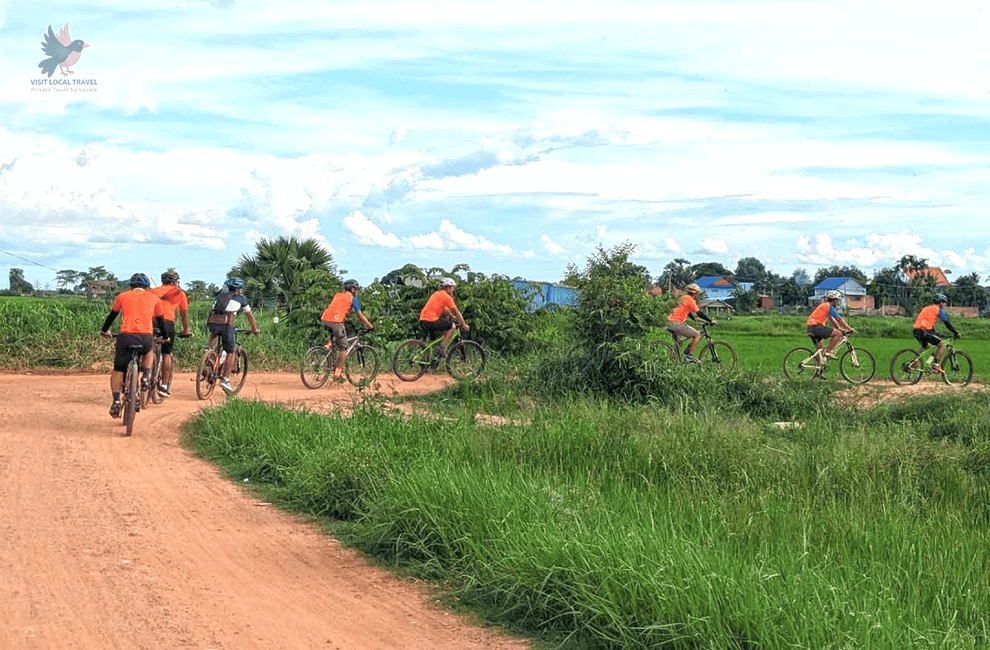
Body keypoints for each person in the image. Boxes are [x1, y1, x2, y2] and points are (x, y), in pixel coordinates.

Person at [100, 273, 168, 418]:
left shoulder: (122, 296)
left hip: (126, 336)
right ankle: (145, 376)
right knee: (149, 350)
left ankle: (116, 401)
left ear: (130, 286)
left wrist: (105, 330)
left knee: (118, 369)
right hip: (145, 337)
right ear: (147, 287)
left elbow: (112, 316)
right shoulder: (154, 298)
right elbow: (161, 321)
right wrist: (166, 336)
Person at [205, 277, 260, 390]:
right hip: (226, 325)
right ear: (239, 289)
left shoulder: (219, 296)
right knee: (231, 351)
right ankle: (225, 379)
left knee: (216, 333)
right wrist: (254, 329)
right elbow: (249, 316)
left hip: (212, 323)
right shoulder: (241, 298)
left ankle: (208, 351)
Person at [320, 279, 375, 382]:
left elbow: (336, 309)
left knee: (336, 335)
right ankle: (337, 373)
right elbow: (360, 316)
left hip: (325, 319)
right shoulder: (353, 299)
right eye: (357, 289)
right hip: (335, 322)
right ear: (353, 289)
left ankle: (327, 347)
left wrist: (346, 320)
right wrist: (370, 326)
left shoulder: (338, 295)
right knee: (344, 347)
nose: (357, 291)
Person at [149, 269, 192, 397]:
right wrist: (185, 330)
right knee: (166, 353)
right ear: (175, 282)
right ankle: (163, 385)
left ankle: (144, 373)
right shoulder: (179, 293)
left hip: (151, 322)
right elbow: (184, 315)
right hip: (167, 323)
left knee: (149, 349)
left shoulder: (153, 292)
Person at [418, 277, 469, 357]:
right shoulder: (446, 297)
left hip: (423, 320)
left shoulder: (436, 293)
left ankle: (430, 363)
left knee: (432, 342)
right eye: (452, 288)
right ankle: (441, 348)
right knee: (452, 326)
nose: (453, 290)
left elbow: (445, 309)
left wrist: (452, 317)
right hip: (432, 320)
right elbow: (457, 312)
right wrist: (464, 324)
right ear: (448, 287)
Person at [666, 282, 716, 362]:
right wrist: (710, 320)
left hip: (669, 322)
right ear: (695, 293)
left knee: (678, 343)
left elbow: (687, 311)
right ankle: (689, 357)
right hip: (676, 323)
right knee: (697, 335)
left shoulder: (683, 298)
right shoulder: (690, 300)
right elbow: (699, 313)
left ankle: (672, 361)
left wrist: (693, 318)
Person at [912, 293, 960, 374]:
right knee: (941, 345)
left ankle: (914, 361)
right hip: (925, 330)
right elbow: (946, 322)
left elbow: (928, 322)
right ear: (941, 302)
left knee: (926, 346)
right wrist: (956, 332)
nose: (944, 305)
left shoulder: (926, 308)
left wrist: (936, 333)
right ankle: (936, 365)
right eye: (944, 303)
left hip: (916, 330)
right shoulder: (939, 310)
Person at [806, 289, 855, 359]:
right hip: (816, 327)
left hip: (811, 328)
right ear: (834, 300)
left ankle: (818, 368)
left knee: (820, 351)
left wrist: (839, 328)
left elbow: (832, 320)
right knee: (838, 334)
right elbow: (839, 319)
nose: (838, 302)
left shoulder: (824, 306)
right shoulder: (829, 306)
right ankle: (828, 351)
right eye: (837, 300)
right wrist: (849, 328)